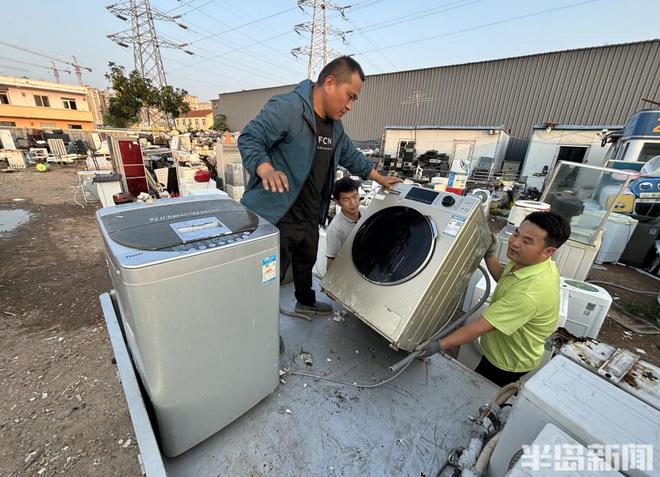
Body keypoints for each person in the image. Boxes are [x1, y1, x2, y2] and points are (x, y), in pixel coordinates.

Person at [238, 56, 401, 318]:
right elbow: (250, 137)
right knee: (268, 278)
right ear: (329, 83)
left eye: (354, 100)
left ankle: (305, 302)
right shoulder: (289, 108)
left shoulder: (335, 127)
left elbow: (351, 155)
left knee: (306, 263)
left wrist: (379, 178)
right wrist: (265, 168)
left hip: (311, 214)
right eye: (349, 97)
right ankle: (260, 326)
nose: (350, 106)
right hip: (278, 215)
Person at [416, 211, 571, 386]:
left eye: (527, 241)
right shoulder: (532, 263)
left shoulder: (530, 293)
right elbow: (504, 278)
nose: (515, 243)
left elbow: (481, 326)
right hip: (500, 346)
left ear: (548, 251)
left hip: (508, 360)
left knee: (480, 392)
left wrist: (438, 345)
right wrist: (489, 255)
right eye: (516, 234)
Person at [325, 177, 361, 271]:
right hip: (348, 270)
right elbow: (331, 261)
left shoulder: (366, 212)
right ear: (337, 202)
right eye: (346, 199)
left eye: (355, 196)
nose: (353, 203)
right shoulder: (335, 229)